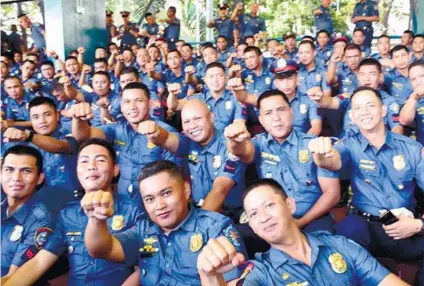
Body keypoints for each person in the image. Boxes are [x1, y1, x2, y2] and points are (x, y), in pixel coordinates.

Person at [308, 86, 424, 285]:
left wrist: (418, 225)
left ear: (383, 110)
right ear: (352, 116)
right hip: (365, 227)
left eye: (371, 106)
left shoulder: (411, 148)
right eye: (358, 108)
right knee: (345, 231)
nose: (365, 112)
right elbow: (332, 161)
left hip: (404, 226)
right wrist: (320, 155)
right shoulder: (348, 145)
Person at [197, 178, 409, 285]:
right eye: (253, 214)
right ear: (251, 226)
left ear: (290, 205)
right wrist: (211, 278)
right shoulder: (261, 273)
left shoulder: (341, 246)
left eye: (269, 205)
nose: (263, 217)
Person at [81, 160, 246, 285]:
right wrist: (96, 220)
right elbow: (102, 249)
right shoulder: (144, 230)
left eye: (166, 193)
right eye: (150, 199)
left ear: (186, 190)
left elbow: (234, 282)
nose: (159, 206)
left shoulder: (215, 227)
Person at [2, 138, 142, 286]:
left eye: (100, 160)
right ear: (76, 170)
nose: (91, 167)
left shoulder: (134, 209)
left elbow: (145, 265)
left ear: (115, 169)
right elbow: (39, 262)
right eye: (84, 161)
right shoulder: (68, 214)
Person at [223, 89, 340, 233]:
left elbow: (332, 194)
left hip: (314, 219)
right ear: (261, 120)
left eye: (281, 110)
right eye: (268, 113)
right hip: (273, 222)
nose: (276, 118)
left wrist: (301, 222)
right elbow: (242, 150)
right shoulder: (259, 144)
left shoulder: (312, 144)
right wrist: (234, 140)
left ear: (291, 112)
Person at [70, 82, 182, 203]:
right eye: (127, 102)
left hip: (154, 203)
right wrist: (78, 120)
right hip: (125, 203)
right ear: (121, 106)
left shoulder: (164, 132)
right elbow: (84, 136)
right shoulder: (116, 128)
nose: (132, 107)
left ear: (149, 103)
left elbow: (175, 172)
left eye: (139, 100)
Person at [2, 97, 82, 204]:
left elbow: (61, 146)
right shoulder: (26, 147)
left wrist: (28, 136)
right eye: (35, 117)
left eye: (47, 115)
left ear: (57, 116)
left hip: (74, 203)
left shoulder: (71, 135)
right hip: (42, 205)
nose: (42, 121)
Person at [0, 145, 54, 280]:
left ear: (39, 178)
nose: (16, 177)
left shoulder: (41, 221)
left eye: (26, 171)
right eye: (9, 170)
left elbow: (13, 277)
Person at [167, 62, 247, 132]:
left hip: (228, 141)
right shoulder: (199, 98)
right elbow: (174, 106)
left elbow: (239, 123)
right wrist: (172, 94)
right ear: (205, 80)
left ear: (226, 78)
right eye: (211, 76)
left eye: (219, 75)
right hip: (202, 141)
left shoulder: (235, 97)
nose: (215, 80)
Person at [399, 61, 424, 145]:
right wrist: (413, 98)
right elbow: (404, 121)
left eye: (422, 76)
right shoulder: (412, 100)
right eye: (413, 79)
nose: (418, 82)